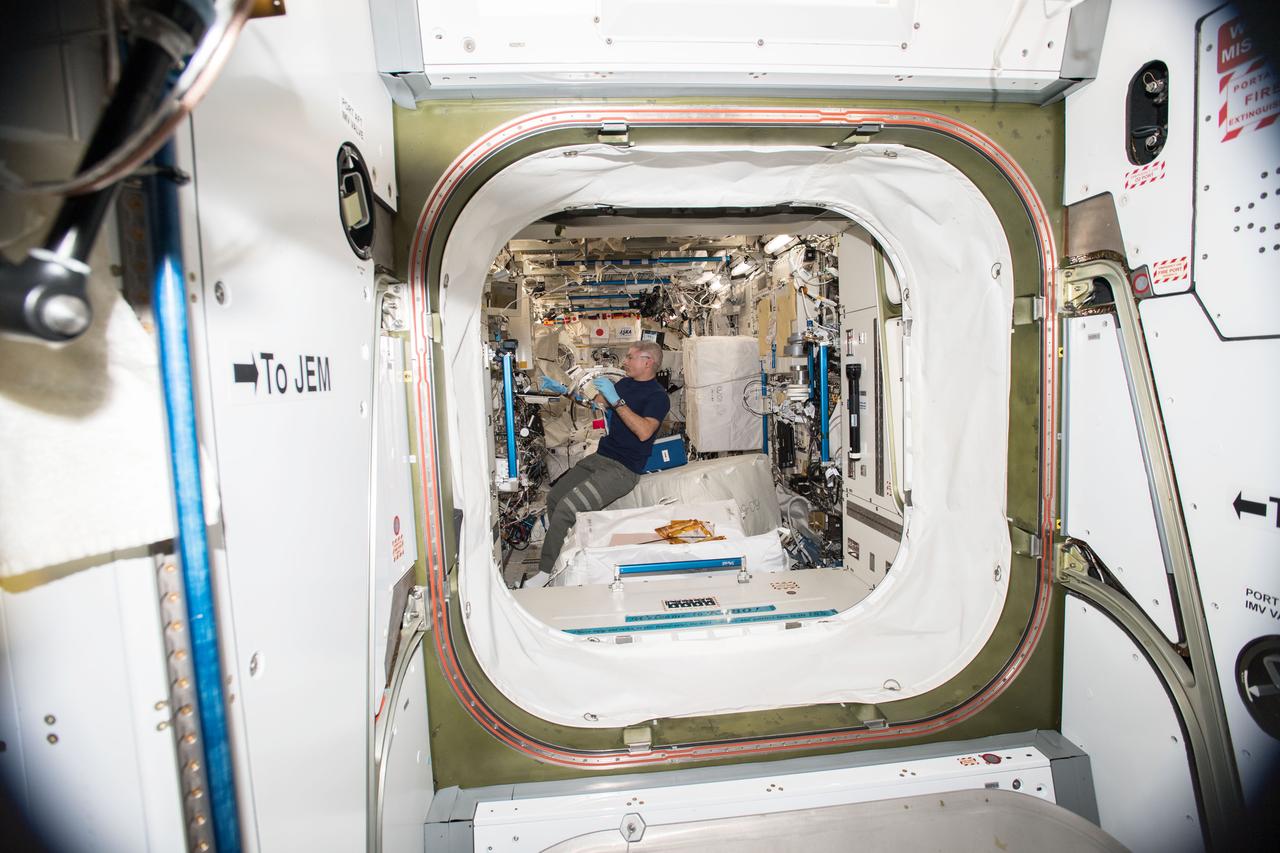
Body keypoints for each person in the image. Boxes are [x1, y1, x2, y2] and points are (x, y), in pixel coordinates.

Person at [537, 340, 670, 575]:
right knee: (555, 499)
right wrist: (566, 391)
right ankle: (567, 553)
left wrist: (617, 401)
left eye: (630, 357)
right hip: (601, 458)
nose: (625, 362)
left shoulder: (658, 396)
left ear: (647, 362)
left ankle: (547, 573)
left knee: (567, 509)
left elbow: (644, 432)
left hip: (622, 470)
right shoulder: (625, 384)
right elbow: (594, 403)